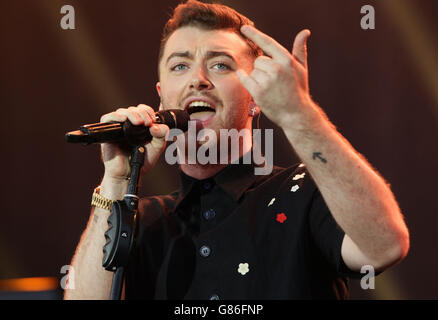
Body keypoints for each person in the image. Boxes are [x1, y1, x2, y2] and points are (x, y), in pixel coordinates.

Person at [64, 0, 409, 300]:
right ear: (161, 95)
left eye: (221, 64)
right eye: (180, 66)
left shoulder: (305, 190)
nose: (198, 78)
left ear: (256, 95)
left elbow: (384, 247)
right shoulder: (144, 218)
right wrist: (115, 181)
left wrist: (298, 115)